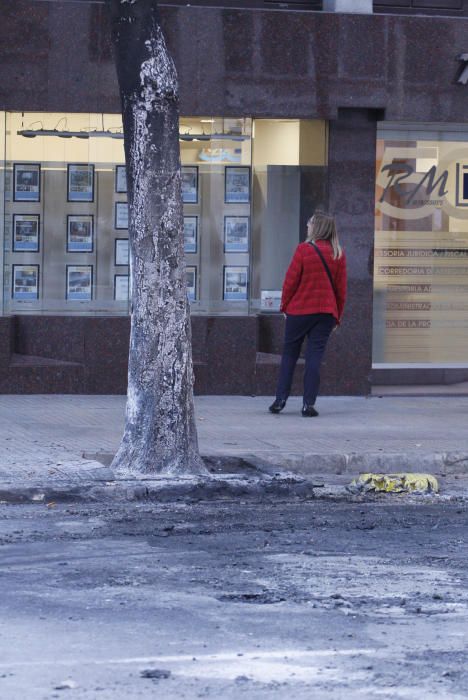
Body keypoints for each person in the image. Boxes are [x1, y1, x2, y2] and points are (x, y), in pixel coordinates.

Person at [269, 211, 347, 417]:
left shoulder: (304, 250)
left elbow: (290, 281)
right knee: (315, 357)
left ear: (317, 227)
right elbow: (341, 289)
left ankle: (280, 400)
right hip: (326, 313)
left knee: (289, 355)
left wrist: (284, 306)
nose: (307, 226)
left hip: (300, 310)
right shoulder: (337, 253)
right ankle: (308, 404)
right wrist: (337, 314)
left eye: (310, 224)